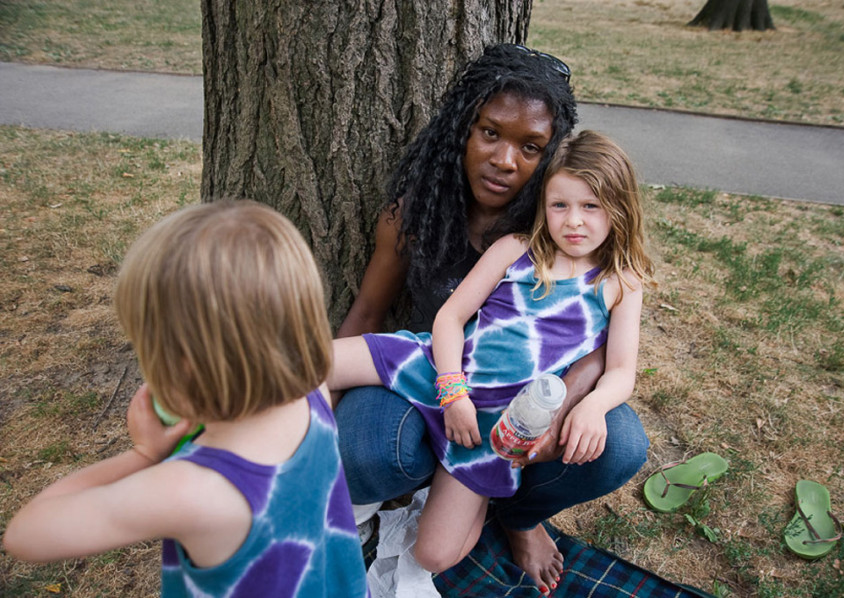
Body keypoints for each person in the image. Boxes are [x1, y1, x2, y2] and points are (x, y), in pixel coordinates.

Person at [334, 129, 653, 593]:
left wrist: (593, 405)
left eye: (592, 206)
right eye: (560, 205)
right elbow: (449, 318)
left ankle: (484, 500)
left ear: (619, 209)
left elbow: (622, 370)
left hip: (496, 424)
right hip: (438, 371)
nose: (574, 221)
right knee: (306, 365)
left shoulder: (620, 282)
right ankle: (274, 464)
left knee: (433, 554)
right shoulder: (517, 250)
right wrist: (452, 389)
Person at [3, 201, 369, 598]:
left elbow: (27, 533)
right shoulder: (312, 394)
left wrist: (143, 455)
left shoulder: (188, 490)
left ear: (182, 367)